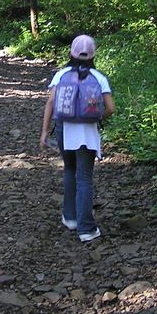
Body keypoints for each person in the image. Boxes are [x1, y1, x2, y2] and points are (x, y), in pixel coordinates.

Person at [39, 35, 115, 242]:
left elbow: (50, 103)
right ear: (93, 55)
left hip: (64, 129)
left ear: (71, 53)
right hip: (87, 133)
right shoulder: (98, 77)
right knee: (84, 177)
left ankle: (71, 218)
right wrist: (95, 117)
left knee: (69, 170)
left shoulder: (61, 75)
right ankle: (86, 229)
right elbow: (111, 108)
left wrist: (44, 131)